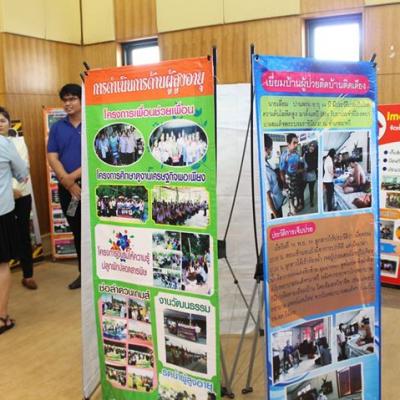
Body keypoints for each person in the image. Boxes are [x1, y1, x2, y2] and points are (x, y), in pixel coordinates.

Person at [47, 83, 82, 289]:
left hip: (91, 186)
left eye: (72, 99)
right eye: (65, 100)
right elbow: (52, 156)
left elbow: (95, 157)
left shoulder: (92, 123)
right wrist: (68, 182)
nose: (68, 103)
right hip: (68, 190)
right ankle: (83, 274)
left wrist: (72, 178)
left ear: (82, 100)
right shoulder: (58, 127)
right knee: (77, 229)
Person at [0, 107, 28, 334]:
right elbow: (22, 172)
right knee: (1, 265)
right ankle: (1, 318)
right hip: (1, 212)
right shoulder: (5, 144)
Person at [6, 126, 38, 290]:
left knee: (23, 234)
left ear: (8, 123)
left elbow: (23, 167)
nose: (0, 124)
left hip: (21, 194)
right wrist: (8, 190)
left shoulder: (18, 142)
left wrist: (14, 189)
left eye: (3, 120)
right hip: (2, 196)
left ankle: (28, 275)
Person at [280, 133, 303, 214]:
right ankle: (293, 207)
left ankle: (297, 205)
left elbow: (298, 165)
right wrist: (284, 184)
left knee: (297, 193)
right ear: (288, 144)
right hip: (288, 178)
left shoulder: (297, 154)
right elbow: (281, 171)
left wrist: (300, 170)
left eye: (297, 143)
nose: (296, 145)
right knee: (291, 196)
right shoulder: (284, 156)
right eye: (294, 143)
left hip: (297, 177)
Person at [264, 135, 284, 219]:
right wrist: (276, 215)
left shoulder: (266, 163)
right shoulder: (263, 170)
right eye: (271, 149)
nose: (271, 151)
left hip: (278, 203)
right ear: (265, 149)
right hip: (274, 209)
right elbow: (267, 196)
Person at [304, 142, 318, 208]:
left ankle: (311, 201)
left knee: (311, 190)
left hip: (312, 176)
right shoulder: (306, 154)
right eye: (311, 146)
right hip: (304, 175)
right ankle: (301, 202)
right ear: (309, 146)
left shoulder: (316, 156)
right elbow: (302, 162)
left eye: (313, 146)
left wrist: (307, 169)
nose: (312, 148)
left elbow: (315, 166)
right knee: (302, 189)